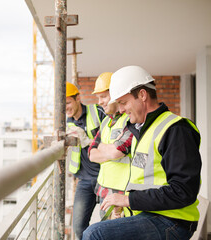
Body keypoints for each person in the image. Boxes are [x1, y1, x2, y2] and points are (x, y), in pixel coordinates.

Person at [82, 66, 202, 240]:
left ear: (143, 95)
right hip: (150, 214)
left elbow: (183, 191)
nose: (121, 110)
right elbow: (146, 181)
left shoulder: (176, 130)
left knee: (94, 234)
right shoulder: (142, 129)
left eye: (123, 102)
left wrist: (128, 200)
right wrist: (125, 203)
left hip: (173, 221)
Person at [88, 72, 132, 219]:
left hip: (123, 194)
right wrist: (110, 149)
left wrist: (104, 148)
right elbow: (92, 154)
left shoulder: (130, 120)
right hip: (104, 191)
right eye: (98, 97)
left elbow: (116, 153)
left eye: (103, 96)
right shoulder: (106, 122)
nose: (99, 102)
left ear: (116, 94)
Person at [65, 81, 106, 240]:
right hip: (84, 180)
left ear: (78, 98)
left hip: (105, 178)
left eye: (68, 102)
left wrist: (87, 140)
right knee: (78, 226)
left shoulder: (97, 112)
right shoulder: (66, 122)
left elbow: (112, 138)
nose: (66, 108)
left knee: (108, 223)